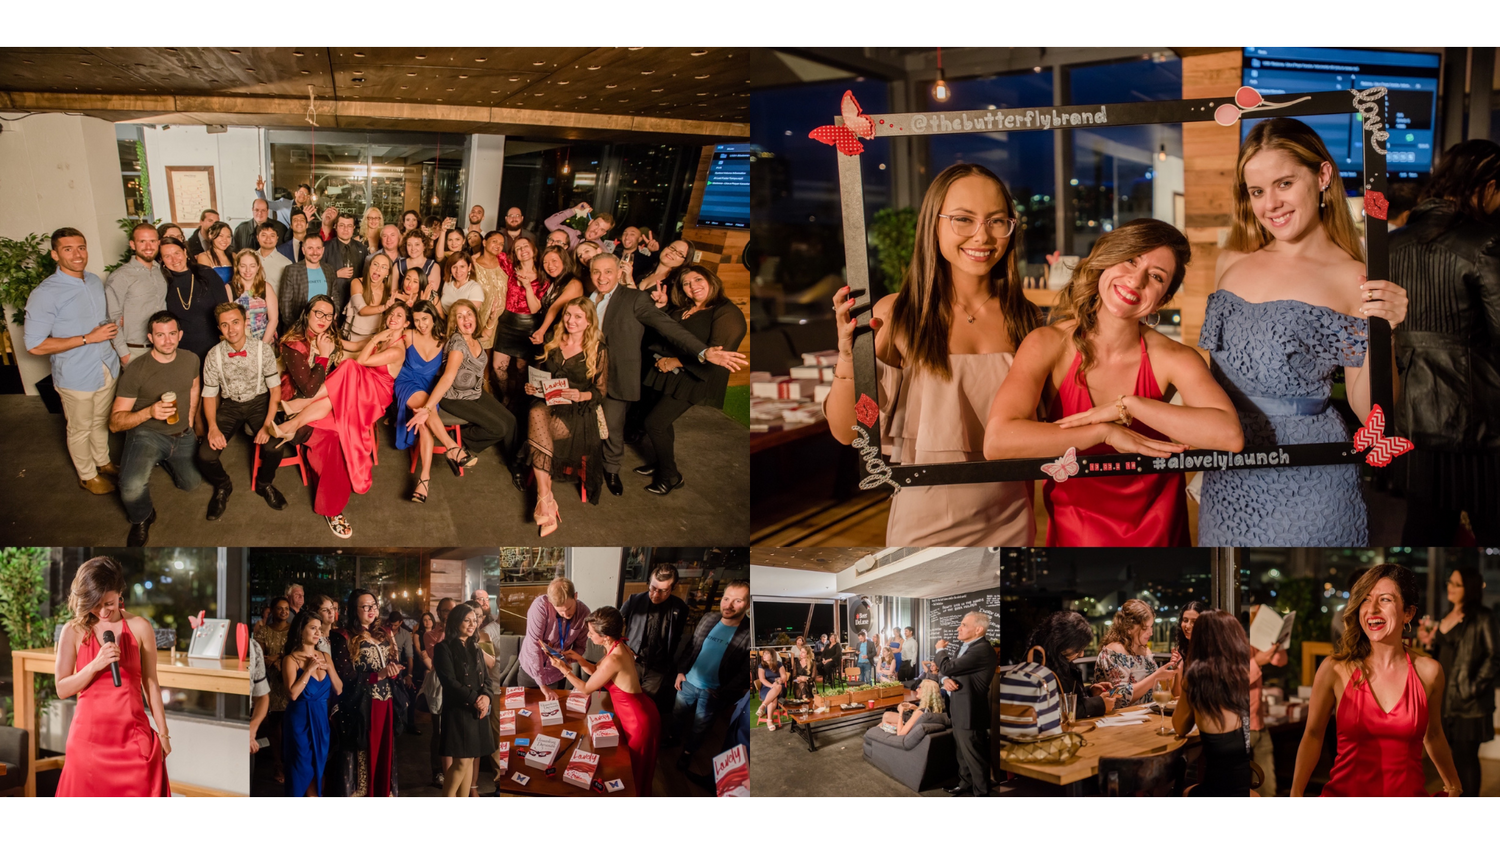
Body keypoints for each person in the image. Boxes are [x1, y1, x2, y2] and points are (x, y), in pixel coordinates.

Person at [1200, 117, 1408, 545]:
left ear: (1323, 175)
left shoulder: (1356, 277)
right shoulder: (1231, 261)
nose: (1270, 204)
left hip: (1309, 468)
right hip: (1228, 465)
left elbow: (1369, 405)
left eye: (1284, 183)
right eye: (1257, 191)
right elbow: (1208, 373)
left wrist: (1385, 333)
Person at [985, 220, 1243, 545]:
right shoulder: (1046, 344)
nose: (1136, 280)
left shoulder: (1174, 357)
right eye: (1131, 260)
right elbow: (997, 441)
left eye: (1156, 276)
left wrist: (1129, 405)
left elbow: (1229, 436)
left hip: (1160, 534)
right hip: (1076, 530)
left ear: (1162, 300)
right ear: (1106, 259)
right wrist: (1104, 431)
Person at [827, 163, 1043, 545]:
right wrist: (848, 361)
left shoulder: (1026, 318)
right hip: (925, 520)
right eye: (963, 219)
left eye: (997, 221)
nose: (982, 235)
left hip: (1012, 514)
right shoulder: (895, 314)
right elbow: (850, 431)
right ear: (934, 223)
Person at [1391, 140, 1500, 543]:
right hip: (1479, 423)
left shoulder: (1390, 245)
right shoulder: (1485, 242)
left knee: (1423, 527)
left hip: (1413, 418)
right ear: (1486, 185)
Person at [1292, 565, 1463, 796]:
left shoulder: (1429, 672)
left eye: (1385, 600)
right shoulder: (1335, 669)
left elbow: (1433, 735)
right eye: (1365, 600)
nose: (1372, 609)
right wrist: (1295, 796)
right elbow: (1313, 735)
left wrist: (1454, 786)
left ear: (1408, 613)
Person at [588, 253, 746, 496]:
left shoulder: (634, 298)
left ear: (620, 272)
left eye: (608, 271)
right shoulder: (588, 299)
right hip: (587, 372)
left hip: (617, 375)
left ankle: (611, 469)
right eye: (596, 272)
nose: (602, 277)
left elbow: (668, 328)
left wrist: (703, 351)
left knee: (614, 425)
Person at [272, 304, 412, 537]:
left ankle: (299, 406)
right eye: (391, 314)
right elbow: (351, 346)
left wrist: (375, 337)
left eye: (400, 316)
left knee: (349, 366)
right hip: (360, 388)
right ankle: (291, 425)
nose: (394, 318)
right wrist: (324, 339)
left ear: (406, 323)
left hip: (374, 397)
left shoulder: (397, 349)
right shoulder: (379, 340)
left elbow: (363, 359)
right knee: (333, 410)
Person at [52, 556, 170, 796]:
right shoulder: (73, 630)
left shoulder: (140, 627)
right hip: (87, 743)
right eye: (96, 605)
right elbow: (62, 689)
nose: (103, 612)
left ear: (120, 594)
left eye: (109, 603)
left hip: (133, 740)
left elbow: (150, 683)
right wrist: (95, 664)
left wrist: (164, 733)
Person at [24, 228, 122, 495]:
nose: (77, 254)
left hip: (105, 366)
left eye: (81, 247)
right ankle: (87, 475)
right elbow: (34, 345)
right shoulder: (45, 293)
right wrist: (87, 338)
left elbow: (97, 321)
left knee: (100, 421)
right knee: (79, 428)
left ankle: (102, 462)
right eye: (68, 249)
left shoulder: (92, 280)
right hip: (76, 374)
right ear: (55, 254)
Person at [635, 265, 749, 494]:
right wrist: (662, 306)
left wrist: (674, 362)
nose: (692, 286)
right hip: (672, 374)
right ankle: (661, 463)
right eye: (686, 283)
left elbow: (716, 356)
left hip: (696, 377)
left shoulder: (727, 313)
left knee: (654, 424)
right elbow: (669, 332)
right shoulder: (687, 306)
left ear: (711, 280)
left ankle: (671, 475)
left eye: (698, 280)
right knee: (662, 422)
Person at [407, 299, 522, 490]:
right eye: (459, 317)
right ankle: (457, 443)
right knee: (498, 428)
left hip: (474, 392)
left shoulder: (473, 337)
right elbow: (448, 377)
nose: (465, 319)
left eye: (468, 314)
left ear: (475, 317)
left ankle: (515, 464)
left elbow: (485, 334)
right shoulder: (458, 345)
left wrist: (492, 319)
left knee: (511, 421)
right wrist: (428, 408)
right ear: (455, 323)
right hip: (454, 397)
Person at [548, 606, 661, 795]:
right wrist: (579, 659)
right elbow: (597, 673)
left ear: (606, 636)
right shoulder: (618, 645)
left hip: (637, 720)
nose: (589, 636)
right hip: (638, 710)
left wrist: (563, 669)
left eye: (592, 633)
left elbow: (585, 688)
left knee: (633, 772)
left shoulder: (613, 658)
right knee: (632, 768)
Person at [110, 311, 202, 545]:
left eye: (172, 334)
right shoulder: (137, 369)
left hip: (182, 434)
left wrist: (190, 419)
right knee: (130, 488)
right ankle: (142, 517)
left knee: (191, 485)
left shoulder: (190, 359)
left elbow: (193, 387)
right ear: (151, 337)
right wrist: (149, 412)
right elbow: (114, 423)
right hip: (147, 435)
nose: (168, 340)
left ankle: (165, 461)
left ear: (180, 335)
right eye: (160, 335)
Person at [523, 298, 608, 532]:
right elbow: (540, 375)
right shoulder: (552, 341)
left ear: (589, 321)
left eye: (578, 316)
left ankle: (545, 500)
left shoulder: (598, 350)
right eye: (568, 315)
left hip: (578, 413)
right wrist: (532, 387)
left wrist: (581, 395)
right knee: (536, 412)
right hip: (548, 403)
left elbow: (600, 392)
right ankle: (545, 498)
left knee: (537, 421)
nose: (571, 320)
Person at [197, 302, 287, 518]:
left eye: (235, 322)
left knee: (275, 446)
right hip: (230, 405)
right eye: (225, 325)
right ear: (219, 328)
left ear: (245, 322)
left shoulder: (262, 350)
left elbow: (276, 391)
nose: (231, 329)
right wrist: (212, 428)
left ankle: (264, 484)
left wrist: (267, 425)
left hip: (259, 401)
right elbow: (209, 395)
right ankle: (223, 486)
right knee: (204, 455)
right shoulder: (213, 355)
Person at [1416, 567, 1499, 798]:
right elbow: (1444, 653)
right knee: (1450, 758)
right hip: (1445, 699)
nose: (1450, 587)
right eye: (1449, 582)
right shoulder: (1446, 614)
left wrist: (1472, 689)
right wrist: (1429, 644)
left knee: (1466, 758)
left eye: (1456, 584)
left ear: (1469, 588)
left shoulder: (1483, 616)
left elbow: (1495, 657)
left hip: (1469, 702)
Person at [1169, 610, 1251, 796]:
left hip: (1218, 791)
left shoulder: (1197, 679)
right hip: (1246, 788)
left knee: (1180, 792)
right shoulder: (1246, 675)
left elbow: (1179, 726)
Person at [329, 588, 402, 797]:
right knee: (362, 749)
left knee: (384, 750)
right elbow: (345, 674)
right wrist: (377, 675)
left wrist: (394, 670)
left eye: (374, 605)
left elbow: (392, 661)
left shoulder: (384, 633)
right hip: (360, 703)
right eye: (365, 606)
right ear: (354, 609)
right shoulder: (342, 636)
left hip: (385, 701)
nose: (371, 609)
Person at [673, 580, 751, 772]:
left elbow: (745, 670)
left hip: (714, 691)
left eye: (737, 600)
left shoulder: (749, 631)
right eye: (726, 598)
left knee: (700, 727)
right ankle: (672, 738)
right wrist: (681, 671)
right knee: (677, 716)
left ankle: (688, 753)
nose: (729, 605)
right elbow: (691, 646)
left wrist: (724, 692)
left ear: (748, 604)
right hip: (688, 682)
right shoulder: (708, 618)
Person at [434, 602, 496, 797]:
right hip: (459, 711)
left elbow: (487, 678)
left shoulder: (475, 647)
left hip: (478, 710)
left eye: (474, 620)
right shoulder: (443, 648)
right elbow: (449, 682)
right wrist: (477, 699)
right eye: (466, 620)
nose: (472, 624)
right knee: (461, 761)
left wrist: (486, 697)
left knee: (469, 760)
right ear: (455, 622)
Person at [620, 563, 690, 721]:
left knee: (647, 703)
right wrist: (621, 646)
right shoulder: (634, 600)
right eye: (652, 588)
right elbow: (615, 624)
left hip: (659, 666)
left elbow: (677, 636)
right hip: (633, 662)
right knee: (626, 698)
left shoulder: (680, 608)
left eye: (663, 590)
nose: (655, 594)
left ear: (673, 587)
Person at [282, 608, 341, 796]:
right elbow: (292, 694)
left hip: (321, 721)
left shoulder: (325, 656)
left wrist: (329, 669)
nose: (318, 633)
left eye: (320, 629)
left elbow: (339, 689)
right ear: (301, 630)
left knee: (319, 770)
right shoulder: (290, 659)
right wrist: (308, 670)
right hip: (299, 723)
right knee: (301, 769)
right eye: (313, 628)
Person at [392, 301, 447, 503]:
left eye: (425, 319)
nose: (422, 324)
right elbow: (384, 339)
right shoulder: (408, 335)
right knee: (425, 411)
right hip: (406, 382)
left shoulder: (444, 338)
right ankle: (452, 448)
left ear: (433, 317)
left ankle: (424, 478)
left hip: (429, 388)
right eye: (417, 320)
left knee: (424, 422)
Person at [939, 611, 996, 797]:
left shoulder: (982, 649)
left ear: (978, 629)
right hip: (958, 709)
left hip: (970, 712)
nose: (959, 627)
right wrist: (945, 679)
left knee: (974, 756)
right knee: (962, 754)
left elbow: (947, 665)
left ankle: (981, 793)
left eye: (964, 624)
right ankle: (965, 784)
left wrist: (940, 650)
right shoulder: (965, 647)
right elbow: (946, 671)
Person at [159, 236, 233, 368]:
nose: (174, 260)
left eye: (177, 253)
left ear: (185, 252)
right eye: (167, 256)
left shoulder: (206, 274)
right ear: (162, 260)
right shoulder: (162, 282)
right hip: (182, 351)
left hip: (213, 346)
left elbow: (225, 310)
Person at [493, 233, 549, 402]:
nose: (522, 250)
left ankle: (517, 402)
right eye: (518, 248)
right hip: (507, 322)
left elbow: (535, 308)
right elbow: (493, 251)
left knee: (521, 368)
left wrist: (527, 286)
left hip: (528, 325)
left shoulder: (542, 276)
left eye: (525, 246)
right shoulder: (511, 269)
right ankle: (504, 397)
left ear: (533, 249)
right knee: (497, 366)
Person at [1095, 599, 1179, 706]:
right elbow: (1119, 697)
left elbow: (1156, 689)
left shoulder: (1145, 650)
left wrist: (1172, 667)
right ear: (1128, 627)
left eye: (1151, 627)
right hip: (1120, 717)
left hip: (1146, 713)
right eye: (1145, 628)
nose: (1151, 633)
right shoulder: (1115, 651)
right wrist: (1156, 676)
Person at [105, 222, 165, 369]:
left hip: (163, 348)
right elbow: (111, 318)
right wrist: (124, 354)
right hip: (135, 350)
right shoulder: (120, 276)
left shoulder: (161, 272)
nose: (148, 246)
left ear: (158, 243)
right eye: (142, 241)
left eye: (152, 241)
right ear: (132, 244)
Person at [518, 577, 591, 695]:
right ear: (551, 602)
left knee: (556, 710)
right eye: (560, 611)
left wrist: (568, 659)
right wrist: (542, 685)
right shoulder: (540, 607)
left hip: (556, 673)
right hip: (531, 670)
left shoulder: (584, 613)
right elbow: (534, 646)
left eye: (569, 609)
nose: (566, 614)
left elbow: (580, 646)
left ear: (575, 596)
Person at [1247, 604, 1288, 796]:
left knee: (1269, 790)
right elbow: (1230, 678)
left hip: (1259, 722)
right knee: (1243, 790)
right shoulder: (1234, 641)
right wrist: (1257, 663)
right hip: (1241, 726)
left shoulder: (1256, 641)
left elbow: (1280, 661)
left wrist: (1278, 639)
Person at [253, 596, 294, 784]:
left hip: (289, 681)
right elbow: (262, 657)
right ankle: (277, 764)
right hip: (270, 682)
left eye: (287, 608)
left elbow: (294, 653)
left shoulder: (293, 631)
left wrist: (278, 658)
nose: (284, 612)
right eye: (280, 608)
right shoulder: (264, 632)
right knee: (274, 727)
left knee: (291, 727)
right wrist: (277, 659)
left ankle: (291, 764)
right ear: (273, 610)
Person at [278, 232, 336, 329]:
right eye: (310, 248)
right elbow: (285, 305)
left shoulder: (329, 269)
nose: (315, 252)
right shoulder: (292, 270)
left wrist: (332, 317)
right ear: (303, 250)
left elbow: (335, 296)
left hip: (324, 326)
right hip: (298, 328)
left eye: (318, 248)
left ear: (323, 250)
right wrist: (296, 328)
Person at [527, 246, 585, 343]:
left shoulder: (574, 283)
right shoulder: (553, 282)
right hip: (547, 334)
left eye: (554, 260)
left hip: (559, 337)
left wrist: (541, 331)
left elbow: (555, 308)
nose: (550, 265)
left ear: (564, 261)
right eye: (545, 262)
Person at [344, 253, 394, 351]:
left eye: (384, 267)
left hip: (373, 341)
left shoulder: (388, 290)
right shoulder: (357, 283)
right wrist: (384, 307)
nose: (378, 269)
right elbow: (362, 310)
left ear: (388, 273)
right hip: (351, 339)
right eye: (375, 264)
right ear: (369, 266)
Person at [229, 249, 279, 343]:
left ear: (258, 267)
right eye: (243, 266)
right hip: (239, 341)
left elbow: (273, 319)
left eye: (252, 266)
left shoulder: (266, 287)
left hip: (265, 339)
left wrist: (263, 346)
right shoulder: (229, 288)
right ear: (237, 267)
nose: (248, 270)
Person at [326, 213, 369, 305]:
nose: (346, 229)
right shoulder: (325, 248)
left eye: (349, 226)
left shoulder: (362, 248)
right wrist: (336, 274)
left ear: (353, 228)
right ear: (335, 227)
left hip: (355, 301)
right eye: (342, 225)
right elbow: (316, 275)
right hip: (332, 300)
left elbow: (365, 276)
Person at [545, 201, 613, 249]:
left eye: (602, 229)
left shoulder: (602, 250)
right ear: (590, 222)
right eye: (596, 225)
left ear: (603, 234)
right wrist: (575, 210)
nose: (596, 230)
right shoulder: (573, 235)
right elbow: (549, 223)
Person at [437, 252, 486, 316]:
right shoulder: (447, 283)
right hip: (444, 322)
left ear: (469, 267)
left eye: (462, 266)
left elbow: (469, 314)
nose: (458, 271)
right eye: (454, 267)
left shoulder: (475, 288)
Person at [254, 222, 293, 298]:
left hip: (274, 307)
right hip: (251, 306)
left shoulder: (286, 263)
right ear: (257, 237)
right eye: (264, 235)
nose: (268, 239)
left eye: (272, 235)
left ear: (277, 238)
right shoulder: (249, 258)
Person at [398, 229, 441, 295]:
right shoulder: (399, 265)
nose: (413, 248)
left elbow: (431, 294)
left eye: (417, 244)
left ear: (424, 246)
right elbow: (393, 292)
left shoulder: (433, 266)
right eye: (409, 245)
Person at [194, 220, 236, 287]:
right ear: (210, 235)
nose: (225, 240)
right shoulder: (203, 257)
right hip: (215, 295)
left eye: (228, 236)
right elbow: (206, 284)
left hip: (233, 295)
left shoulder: (234, 256)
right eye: (221, 236)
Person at [754, 648, 785, 730]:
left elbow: (784, 677)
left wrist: (780, 680)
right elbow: (762, 679)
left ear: (772, 655)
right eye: (763, 654)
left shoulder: (779, 664)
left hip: (779, 687)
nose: (764, 655)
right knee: (773, 698)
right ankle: (769, 720)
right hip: (766, 687)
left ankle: (763, 706)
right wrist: (772, 686)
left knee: (778, 687)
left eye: (766, 653)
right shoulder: (761, 666)